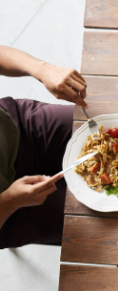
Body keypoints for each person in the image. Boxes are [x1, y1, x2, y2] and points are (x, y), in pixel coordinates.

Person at [0, 46, 88, 249]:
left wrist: (41, 68)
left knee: (110, 131)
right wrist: (9, 202)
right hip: (10, 211)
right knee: (103, 224)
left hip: (18, 126)